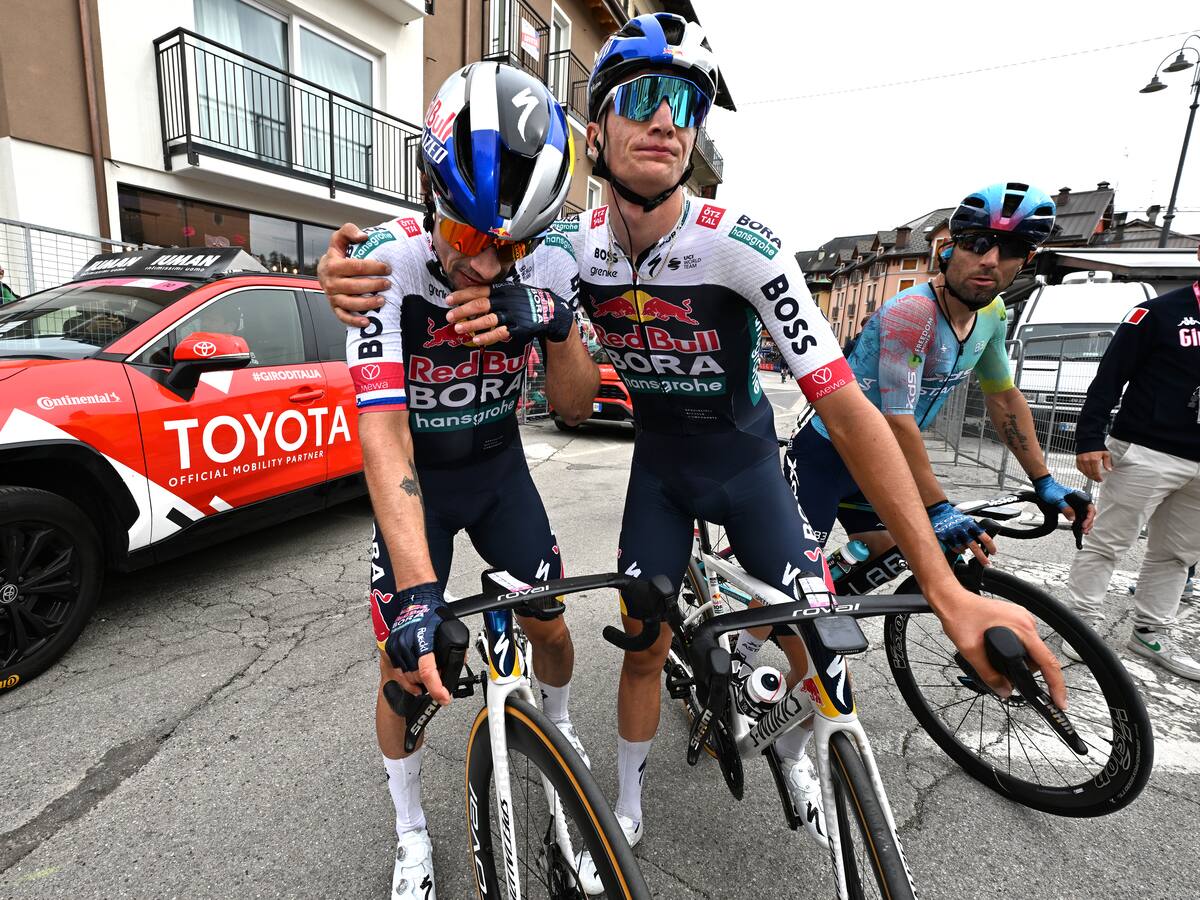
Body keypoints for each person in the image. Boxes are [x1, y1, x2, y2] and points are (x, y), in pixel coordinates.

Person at [320, 16, 1064, 892]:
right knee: (631, 645)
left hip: (745, 462)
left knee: (812, 641)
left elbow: (848, 405)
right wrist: (522, 307)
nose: (667, 120)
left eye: (686, 103)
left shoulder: (740, 244)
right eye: (641, 98)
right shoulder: (558, 248)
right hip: (648, 473)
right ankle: (563, 811)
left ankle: (796, 742)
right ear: (597, 132)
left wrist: (942, 587)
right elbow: (522, 393)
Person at [331, 63, 598, 899]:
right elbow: (381, 432)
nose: (488, 264)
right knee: (405, 670)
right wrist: (417, 590)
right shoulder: (388, 265)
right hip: (423, 486)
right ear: (428, 191)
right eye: (474, 236)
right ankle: (410, 829)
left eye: (512, 244)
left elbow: (579, 406)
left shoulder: (549, 264)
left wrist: (552, 324)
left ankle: (560, 740)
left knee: (551, 630)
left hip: (500, 474)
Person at [785, 183, 1095, 568]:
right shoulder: (913, 312)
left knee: (889, 550)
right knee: (793, 581)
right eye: (978, 244)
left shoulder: (993, 313)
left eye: (1011, 249)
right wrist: (937, 505)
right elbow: (896, 420)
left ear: (1026, 259)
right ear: (948, 249)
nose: (990, 260)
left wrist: (1044, 480)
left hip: (883, 460)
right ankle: (760, 623)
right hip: (828, 455)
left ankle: (826, 593)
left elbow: (1004, 398)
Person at [1062, 251, 1200, 681]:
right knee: (1109, 541)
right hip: (1145, 449)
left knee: (1177, 554)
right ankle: (1079, 624)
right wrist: (1088, 439)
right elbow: (1109, 377)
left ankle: (1150, 631)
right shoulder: (1158, 313)